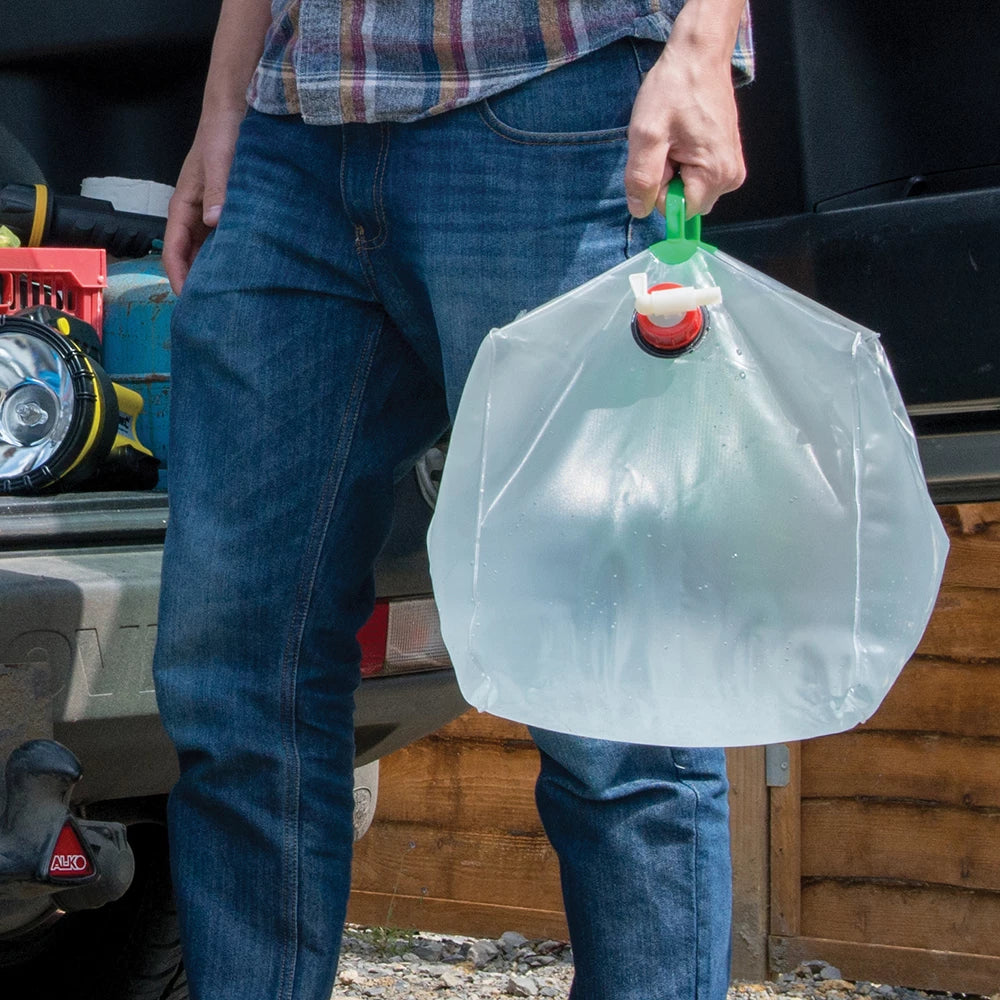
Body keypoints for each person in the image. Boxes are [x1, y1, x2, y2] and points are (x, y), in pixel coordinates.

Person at [153, 1, 754, 998]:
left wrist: (700, 43)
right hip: (296, 131)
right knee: (236, 675)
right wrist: (224, 104)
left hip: (557, 101)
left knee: (615, 710)